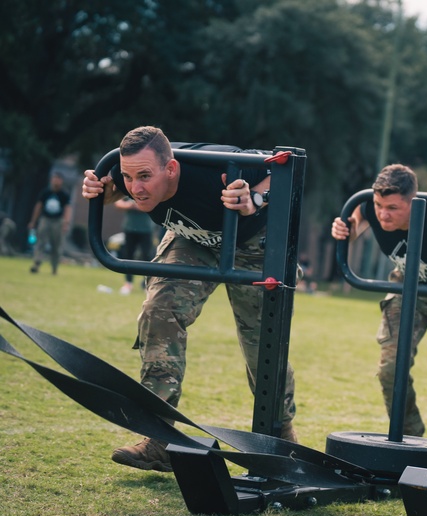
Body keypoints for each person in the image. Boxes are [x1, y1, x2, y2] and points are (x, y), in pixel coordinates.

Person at [81, 126, 298, 473]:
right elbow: (115, 191)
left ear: (171, 169)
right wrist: (101, 191)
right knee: (159, 310)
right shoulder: (135, 169)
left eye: (145, 177)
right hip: (193, 238)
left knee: (262, 342)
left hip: (254, 242)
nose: (136, 187)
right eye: (128, 177)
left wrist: (254, 199)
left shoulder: (216, 166)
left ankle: (282, 436)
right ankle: (158, 437)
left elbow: (280, 173)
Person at [331, 164, 427, 437]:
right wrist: (348, 228)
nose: (383, 214)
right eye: (379, 204)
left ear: (413, 203)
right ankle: (410, 438)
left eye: (392, 208)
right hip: (407, 286)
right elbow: (357, 220)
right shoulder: (371, 208)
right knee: (390, 371)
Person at [28, 172, 73, 274]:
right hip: (46, 219)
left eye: (58, 179)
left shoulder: (64, 194)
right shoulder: (45, 192)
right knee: (40, 242)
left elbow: (67, 209)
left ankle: (54, 267)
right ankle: (36, 263)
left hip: (58, 221)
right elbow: (38, 206)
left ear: (61, 181)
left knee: (56, 245)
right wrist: (33, 221)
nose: (56, 181)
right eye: (54, 178)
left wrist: (66, 222)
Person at [114, 197, 157, 294]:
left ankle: (146, 285)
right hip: (130, 228)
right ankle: (128, 283)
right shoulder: (129, 191)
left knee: (148, 257)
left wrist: (141, 206)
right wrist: (130, 205)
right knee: (128, 255)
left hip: (146, 229)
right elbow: (118, 203)